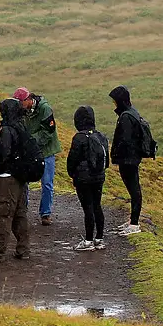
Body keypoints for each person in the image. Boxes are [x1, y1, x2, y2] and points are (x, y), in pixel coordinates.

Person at [0, 98, 31, 260]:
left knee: (2, 214)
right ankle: (23, 249)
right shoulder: (22, 127)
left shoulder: (7, 130)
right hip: (21, 178)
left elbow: (4, 153)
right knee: (20, 214)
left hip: (7, 179)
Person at [13, 87, 61, 225]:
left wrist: (30, 141)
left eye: (21, 102)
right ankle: (22, 210)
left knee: (46, 183)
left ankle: (45, 214)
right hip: (29, 151)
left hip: (46, 151)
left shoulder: (45, 109)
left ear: (28, 99)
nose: (19, 105)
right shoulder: (21, 111)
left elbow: (48, 132)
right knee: (24, 182)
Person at [109, 85, 151, 235]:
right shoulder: (132, 113)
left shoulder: (126, 117)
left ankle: (134, 224)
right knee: (134, 189)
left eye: (115, 101)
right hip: (132, 158)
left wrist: (117, 156)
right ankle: (133, 221)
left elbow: (125, 140)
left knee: (134, 190)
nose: (114, 104)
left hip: (128, 160)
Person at [66, 105, 109, 251]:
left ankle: (88, 241)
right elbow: (106, 160)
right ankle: (99, 239)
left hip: (83, 179)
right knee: (97, 205)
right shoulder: (101, 136)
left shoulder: (78, 138)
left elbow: (72, 160)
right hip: (99, 176)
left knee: (88, 208)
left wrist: (73, 174)